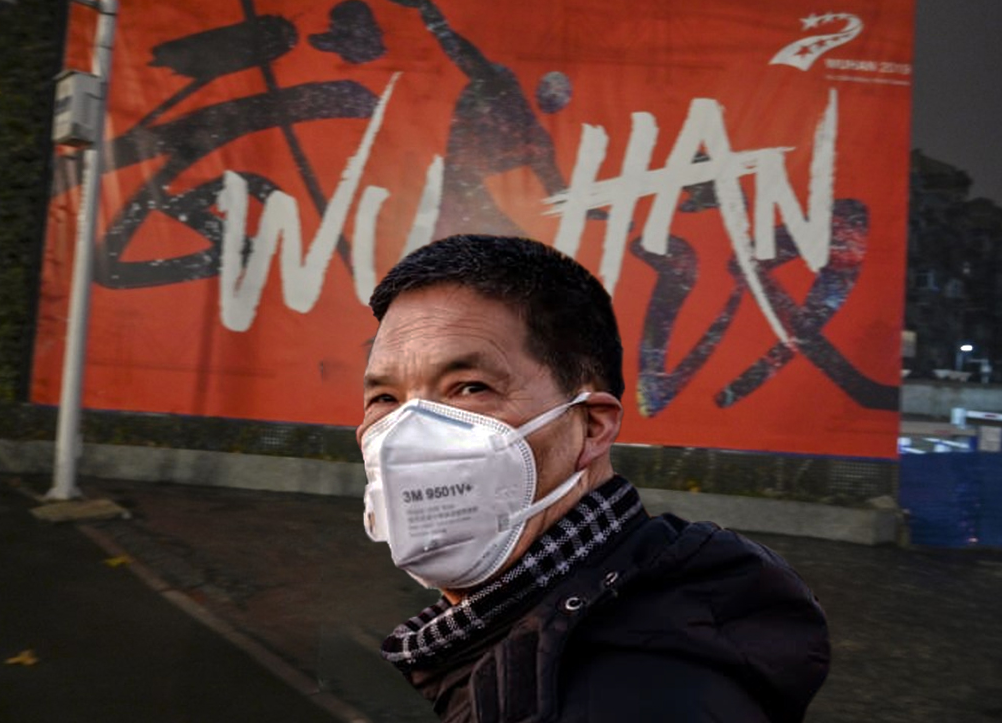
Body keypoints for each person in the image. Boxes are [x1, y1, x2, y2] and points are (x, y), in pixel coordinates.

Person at [356, 234, 830, 722]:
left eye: (471, 388)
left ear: (591, 426)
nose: (406, 437)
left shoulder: (633, 697)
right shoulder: (515, 643)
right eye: (385, 399)